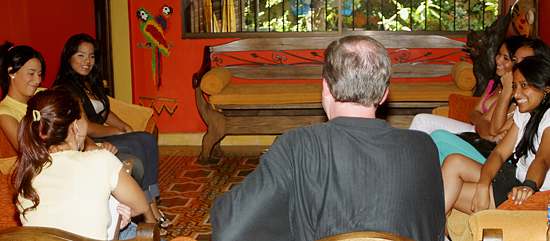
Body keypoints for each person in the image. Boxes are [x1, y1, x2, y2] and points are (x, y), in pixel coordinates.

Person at [209, 36, 446, 241]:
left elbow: (231, 231)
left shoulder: (296, 146)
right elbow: (434, 231)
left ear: (325, 88)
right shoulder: (424, 147)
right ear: (384, 95)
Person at [52, 34, 170, 234]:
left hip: (102, 134)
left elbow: (104, 110)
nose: (87, 61)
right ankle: (149, 217)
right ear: (68, 57)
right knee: (134, 146)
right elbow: (85, 126)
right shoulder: (66, 88)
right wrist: (116, 131)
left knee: (146, 138)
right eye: (81, 55)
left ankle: (154, 206)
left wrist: (125, 126)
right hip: (88, 139)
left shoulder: (88, 82)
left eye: (91, 56)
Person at [0, 42, 145, 189]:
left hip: (79, 153)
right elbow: (26, 149)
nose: (37, 80)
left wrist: (95, 147)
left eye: (39, 74)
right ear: (11, 72)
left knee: (133, 165)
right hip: (57, 164)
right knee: (133, 168)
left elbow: (74, 126)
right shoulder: (5, 111)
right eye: (31, 73)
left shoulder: (45, 94)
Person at [11, 88, 150, 240]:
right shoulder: (102, 159)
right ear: (75, 126)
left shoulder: (25, 173)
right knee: (132, 231)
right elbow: (141, 206)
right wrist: (112, 217)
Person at [442, 56, 550, 219]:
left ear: (546, 88)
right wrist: (483, 185)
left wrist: (528, 187)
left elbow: (542, 159)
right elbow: (499, 153)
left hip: (535, 194)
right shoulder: (525, 113)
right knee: (453, 161)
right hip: (514, 178)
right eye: (514, 86)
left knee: (446, 193)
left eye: (524, 85)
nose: (516, 94)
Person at [430, 38, 550, 164]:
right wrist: (490, 137)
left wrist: (507, 91)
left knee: (439, 138)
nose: (517, 65)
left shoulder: (529, 101)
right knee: (442, 153)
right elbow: (484, 121)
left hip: (507, 161)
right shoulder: (515, 92)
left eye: (524, 61)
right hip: (491, 149)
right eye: (515, 60)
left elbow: (494, 129)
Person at [409, 35, 527, 136]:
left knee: (428, 128)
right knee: (421, 120)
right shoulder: (495, 83)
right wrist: (483, 123)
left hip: (484, 138)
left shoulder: (518, 93)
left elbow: (497, 129)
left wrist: (483, 125)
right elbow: (474, 113)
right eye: (499, 54)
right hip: (475, 130)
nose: (498, 60)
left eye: (506, 58)